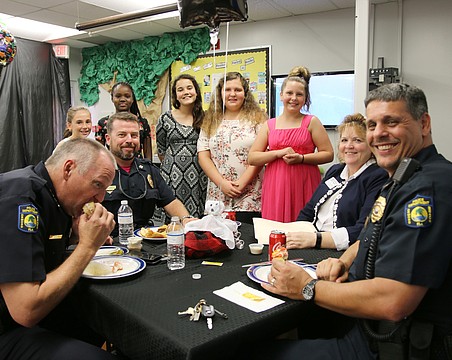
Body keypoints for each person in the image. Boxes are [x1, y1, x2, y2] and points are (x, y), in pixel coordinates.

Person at [239, 83, 452, 359]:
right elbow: (369, 232)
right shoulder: (403, 176)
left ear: (424, 124)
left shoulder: (426, 189)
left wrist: (306, 287)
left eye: (391, 122)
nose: (379, 134)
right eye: (373, 125)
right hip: (367, 325)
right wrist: (345, 260)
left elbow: (393, 301)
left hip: (391, 344)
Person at [0, 138, 118, 359]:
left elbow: (43, 257)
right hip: (8, 327)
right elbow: (26, 309)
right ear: (69, 168)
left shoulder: (57, 200)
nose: (101, 198)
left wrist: (74, 237)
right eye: (97, 184)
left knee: (107, 324)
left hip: (22, 318)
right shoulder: (21, 199)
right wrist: (87, 247)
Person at [286, 113, 388, 251]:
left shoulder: (377, 177)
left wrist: (316, 239)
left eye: (357, 140)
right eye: (344, 140)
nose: (349, 146)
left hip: (339, 252)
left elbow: (364, 230)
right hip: (310, 245)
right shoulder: (335, 171)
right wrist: (296, 236)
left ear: (371, 146)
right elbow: (308, 211)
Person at [248, 65, 334, 223]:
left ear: (305, 98)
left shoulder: (312, 122)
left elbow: (328, 154)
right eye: (289, 93)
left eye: (299, 94)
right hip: (276, 186)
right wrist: (277, 153)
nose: (294, 98)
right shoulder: (269, 125)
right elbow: (252, 158)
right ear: (281, 95)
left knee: (303, 230)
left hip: (304, 184)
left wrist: (301, 158)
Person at [102, 111, 194, 236]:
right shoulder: (97, 172)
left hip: (145, 240)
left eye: (134, 135)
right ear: (108, 139)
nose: (129, 140)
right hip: (109, 242)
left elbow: (170, 201)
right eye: (122, 135)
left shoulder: (148, 170)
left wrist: (186, 219)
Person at [197, 71, 268, 224]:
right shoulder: (210, 120)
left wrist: (242, 183)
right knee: (217, 242)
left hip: (251, 195)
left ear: (245, 93)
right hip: (218, 195)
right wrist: (222, 183)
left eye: (237, 90)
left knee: (248, 240)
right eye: (227, 90)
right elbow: (203, 155)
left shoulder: (259, 119)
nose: (232, 94)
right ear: (220, 93)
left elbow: (261, 154)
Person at [156, 74, 207, 221]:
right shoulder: (165, 118)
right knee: (172, 219)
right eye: (180, 89)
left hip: (199, 176)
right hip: (172, 176)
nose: (186, 92)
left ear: (196, 92)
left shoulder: (205, 118)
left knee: (196, 222)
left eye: (189, 88)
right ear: (175, 96)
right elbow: (161, 150)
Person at [96, 82, 152, 159]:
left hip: (139, 168)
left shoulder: (142, 123)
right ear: (112, 98)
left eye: (127, 96)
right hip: (113, 167)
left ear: (132, 99)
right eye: (118, 96)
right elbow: (98, 153)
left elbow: (148, 152)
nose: (122, 99)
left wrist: (149, 169)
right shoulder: (103, 123)